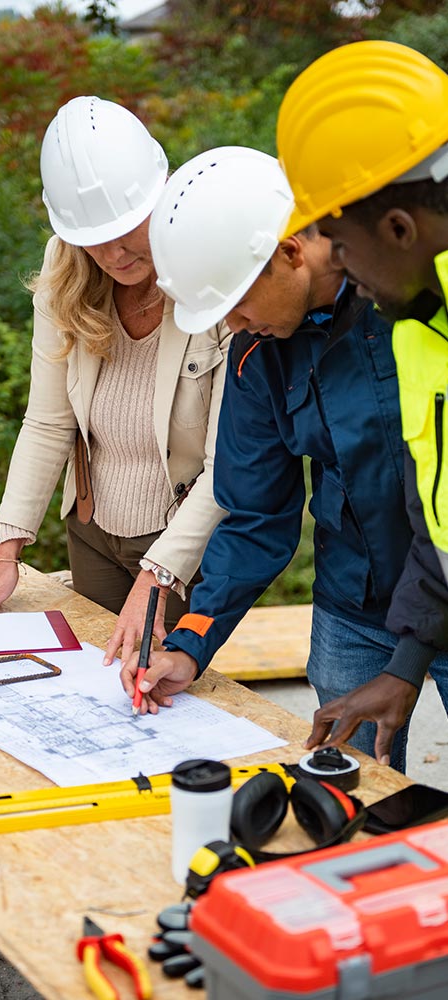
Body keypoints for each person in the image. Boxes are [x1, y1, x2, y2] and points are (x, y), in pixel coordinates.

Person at [118, 144, 448, 771]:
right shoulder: (257, 352)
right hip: (354, 613)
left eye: (238, 304)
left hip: (447, 588)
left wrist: (411, 660)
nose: (235, 326)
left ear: (289, 252)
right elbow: (254, 513)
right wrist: (190, 642)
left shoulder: (404, 300)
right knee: (352, 797)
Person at [0, 97, 231, 664]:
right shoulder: (68, 267)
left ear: (160, 196)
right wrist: (7, 548)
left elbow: (225, 465)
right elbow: (47, 420)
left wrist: (158, 574)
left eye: (126, 229)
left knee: (166, 696)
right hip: (91, 529)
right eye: (92, 236)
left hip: (185, 543)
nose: (112, 252)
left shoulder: (216, 278)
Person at [275, 39, 448, 754]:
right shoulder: (416, 326)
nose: (338, 272)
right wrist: (406, 666)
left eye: (341, 246)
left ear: (400, 228)